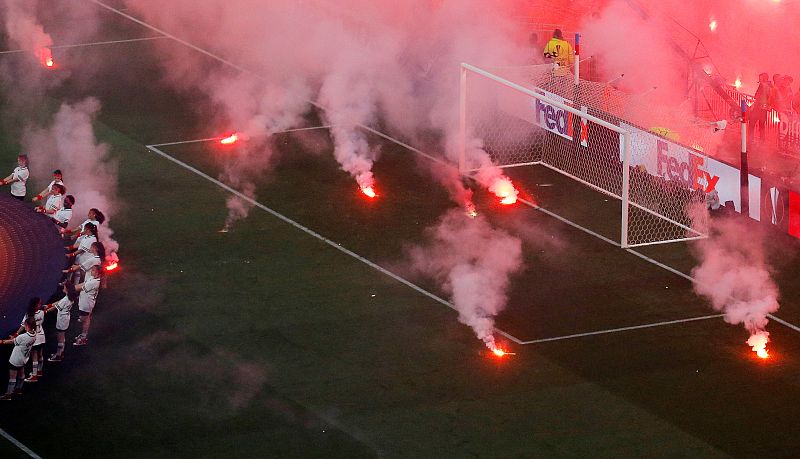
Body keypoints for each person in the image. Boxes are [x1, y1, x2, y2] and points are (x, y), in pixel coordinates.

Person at [0, 317, 36, 400]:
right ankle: (18, 389)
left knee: (12, 378)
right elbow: (18, 341)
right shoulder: (34, 335)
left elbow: (12, 342)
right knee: (21, 374)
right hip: (24, 359)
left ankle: (8, 395)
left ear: (27, 325)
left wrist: (2, 341)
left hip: (15, 359)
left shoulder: (23, 336)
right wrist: (15, 338)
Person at [44, 283, 77, 362]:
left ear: (67, 289)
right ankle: (61, 352)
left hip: (62, 320)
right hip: (65, 318)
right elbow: (59, 302)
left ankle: (58, 355)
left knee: (60, 338)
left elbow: (56, 307)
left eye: (65, 287)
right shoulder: (69, 298)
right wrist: (48, 305)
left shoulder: (66, 300)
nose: (63, 288)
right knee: (62, 336)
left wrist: (45, 311)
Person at [15, 298, 46, 382]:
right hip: (42, 336)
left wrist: (16, 334)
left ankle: (34, 375)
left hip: (34, 338)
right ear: (35, 305)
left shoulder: (28, 314)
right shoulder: (42, 313)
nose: (40, 305)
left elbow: (22, 325)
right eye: (39, 304)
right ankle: (39, 371)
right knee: (40, 354)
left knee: (34, 356)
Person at [74, 265, 102, 346]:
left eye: (93, 270)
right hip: (86, 302)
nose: (91, 271)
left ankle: (83, 338)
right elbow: (83, 283)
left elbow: (80, 287)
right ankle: (83, 335)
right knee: (86, 319)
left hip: (86, 304)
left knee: (84, 320)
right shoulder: (93, 278)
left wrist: (70, 287)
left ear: (97, 272)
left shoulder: (94, 282)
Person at [749, 73, 772, 141]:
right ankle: (762, 141)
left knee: (751, 123)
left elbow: (757, 95)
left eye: (760, 78)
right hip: (764, 108)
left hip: (758, 107)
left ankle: (751, 139)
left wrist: (753, 103)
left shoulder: (762, 85)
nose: (759, 79)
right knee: (762, 126)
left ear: (764, 78)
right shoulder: (770, 86)